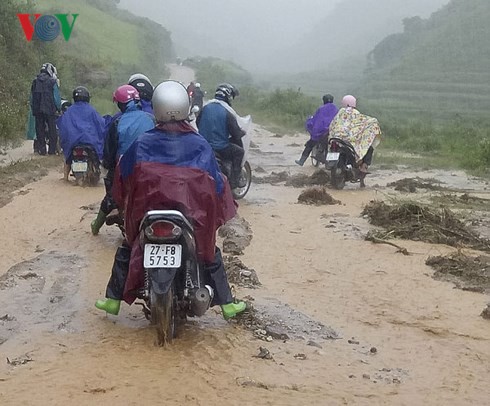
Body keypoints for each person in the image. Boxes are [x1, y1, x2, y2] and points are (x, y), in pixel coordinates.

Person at [94, 80, 246, 320]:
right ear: (186, 108)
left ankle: (113, 300)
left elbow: (122, 176)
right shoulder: (199, 144)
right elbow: (216, 183)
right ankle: (227, 305)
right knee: (210, 253)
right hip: (191, 216)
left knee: (127, 247)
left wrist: (122, 201)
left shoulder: (143, 142)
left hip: (148, 214)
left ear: (156, 109)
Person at [91, 85, 155, 235]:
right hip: (151, 170)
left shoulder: (117, 123)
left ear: (120, 104)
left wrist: (109, 166)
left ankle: (95, 227)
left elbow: (109, 155)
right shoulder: (152, 119)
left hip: (124, 172)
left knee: (110, 195)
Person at [197, 83, 247, 189]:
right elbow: (235, 133)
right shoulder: (227, 112)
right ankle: (234, 182)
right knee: (239, 152)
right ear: (228, 96)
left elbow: (198, 123)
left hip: (203, 145)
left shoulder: (205, 108)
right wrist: (242, 132)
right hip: (220, 147)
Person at [329, 95, 381, 188]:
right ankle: (364, 166)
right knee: (368, 147)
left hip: (337, 139)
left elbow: (332, 125)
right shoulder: (355, 112)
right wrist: (374, 122)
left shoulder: (340, 112)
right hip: (350, 141)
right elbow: (362, 123)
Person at [57, 86, 106, 181]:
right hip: (90, 142)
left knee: (67, 157)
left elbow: (62, 125)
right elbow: (101, 124)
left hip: (73, 142)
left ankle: (65, 177)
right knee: (98, 158)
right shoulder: (91, 110)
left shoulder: (69, 111)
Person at [295, 94, 339, 166]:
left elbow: (316, 121)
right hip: (333, 133)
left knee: (310, 144)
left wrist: (311, 124)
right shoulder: (336, 109)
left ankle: (301, 161)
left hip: (322, 133)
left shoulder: (321, 109)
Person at [30, 63, 62, 155]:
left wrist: (33, 108)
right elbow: (56, 97)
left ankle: (42, 150)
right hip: (50, 110)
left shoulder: (35, 81)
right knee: (52, 130)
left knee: (39, 130)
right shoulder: (52, 81)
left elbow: (31, 97)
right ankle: (52, 151)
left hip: (37, 110)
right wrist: (59, 108)